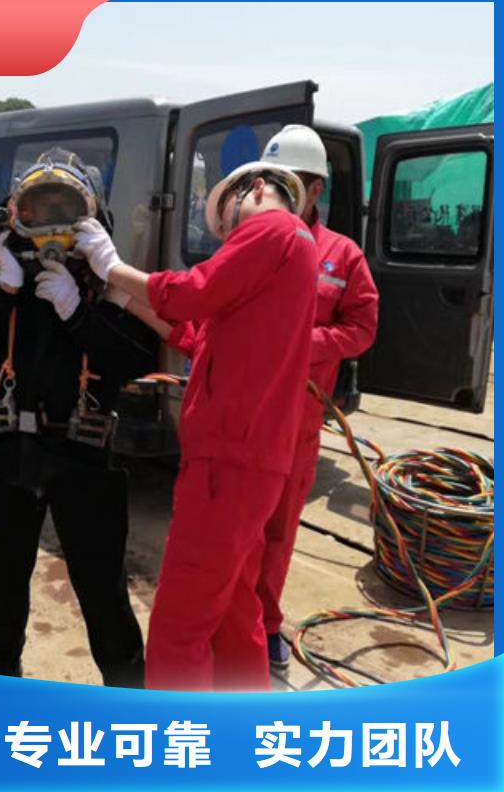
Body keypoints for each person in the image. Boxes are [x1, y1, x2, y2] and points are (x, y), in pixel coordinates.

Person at [74, 158, 319, 691]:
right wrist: (126, 298)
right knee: (234, 608)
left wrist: (111, 265)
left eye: (227, 224)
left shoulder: (272, 230)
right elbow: (196, 335)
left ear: (255, 188)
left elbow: (192, 292)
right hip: (253, 464)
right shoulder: (294, 250)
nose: (228, 238)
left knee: (179, 622)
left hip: (227, 463)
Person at [0, 148, 157, 687]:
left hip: (83, 454)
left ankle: (126, 682)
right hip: (10, 449)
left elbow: (136, 357)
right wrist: (2, 288)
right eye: (39, 210)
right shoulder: (9, 279)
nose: (52, 225)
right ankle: (2, 661)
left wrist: (80, 313)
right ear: (18, 215)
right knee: (5, 568)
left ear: (92, 218)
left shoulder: (106, 283)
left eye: (66, 210)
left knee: (101, 579)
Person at [254, 125, 379, 670]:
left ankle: (265, 622)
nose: (276, 192)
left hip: (298, 421)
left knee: (279, 529)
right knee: (236, 527)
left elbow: (362, 328)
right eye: (270, 180)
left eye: (290, 182)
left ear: (315, 189)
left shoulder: (342, 255)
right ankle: (229, 618)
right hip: (245, 415)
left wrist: (305, 344)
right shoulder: (249, 241)